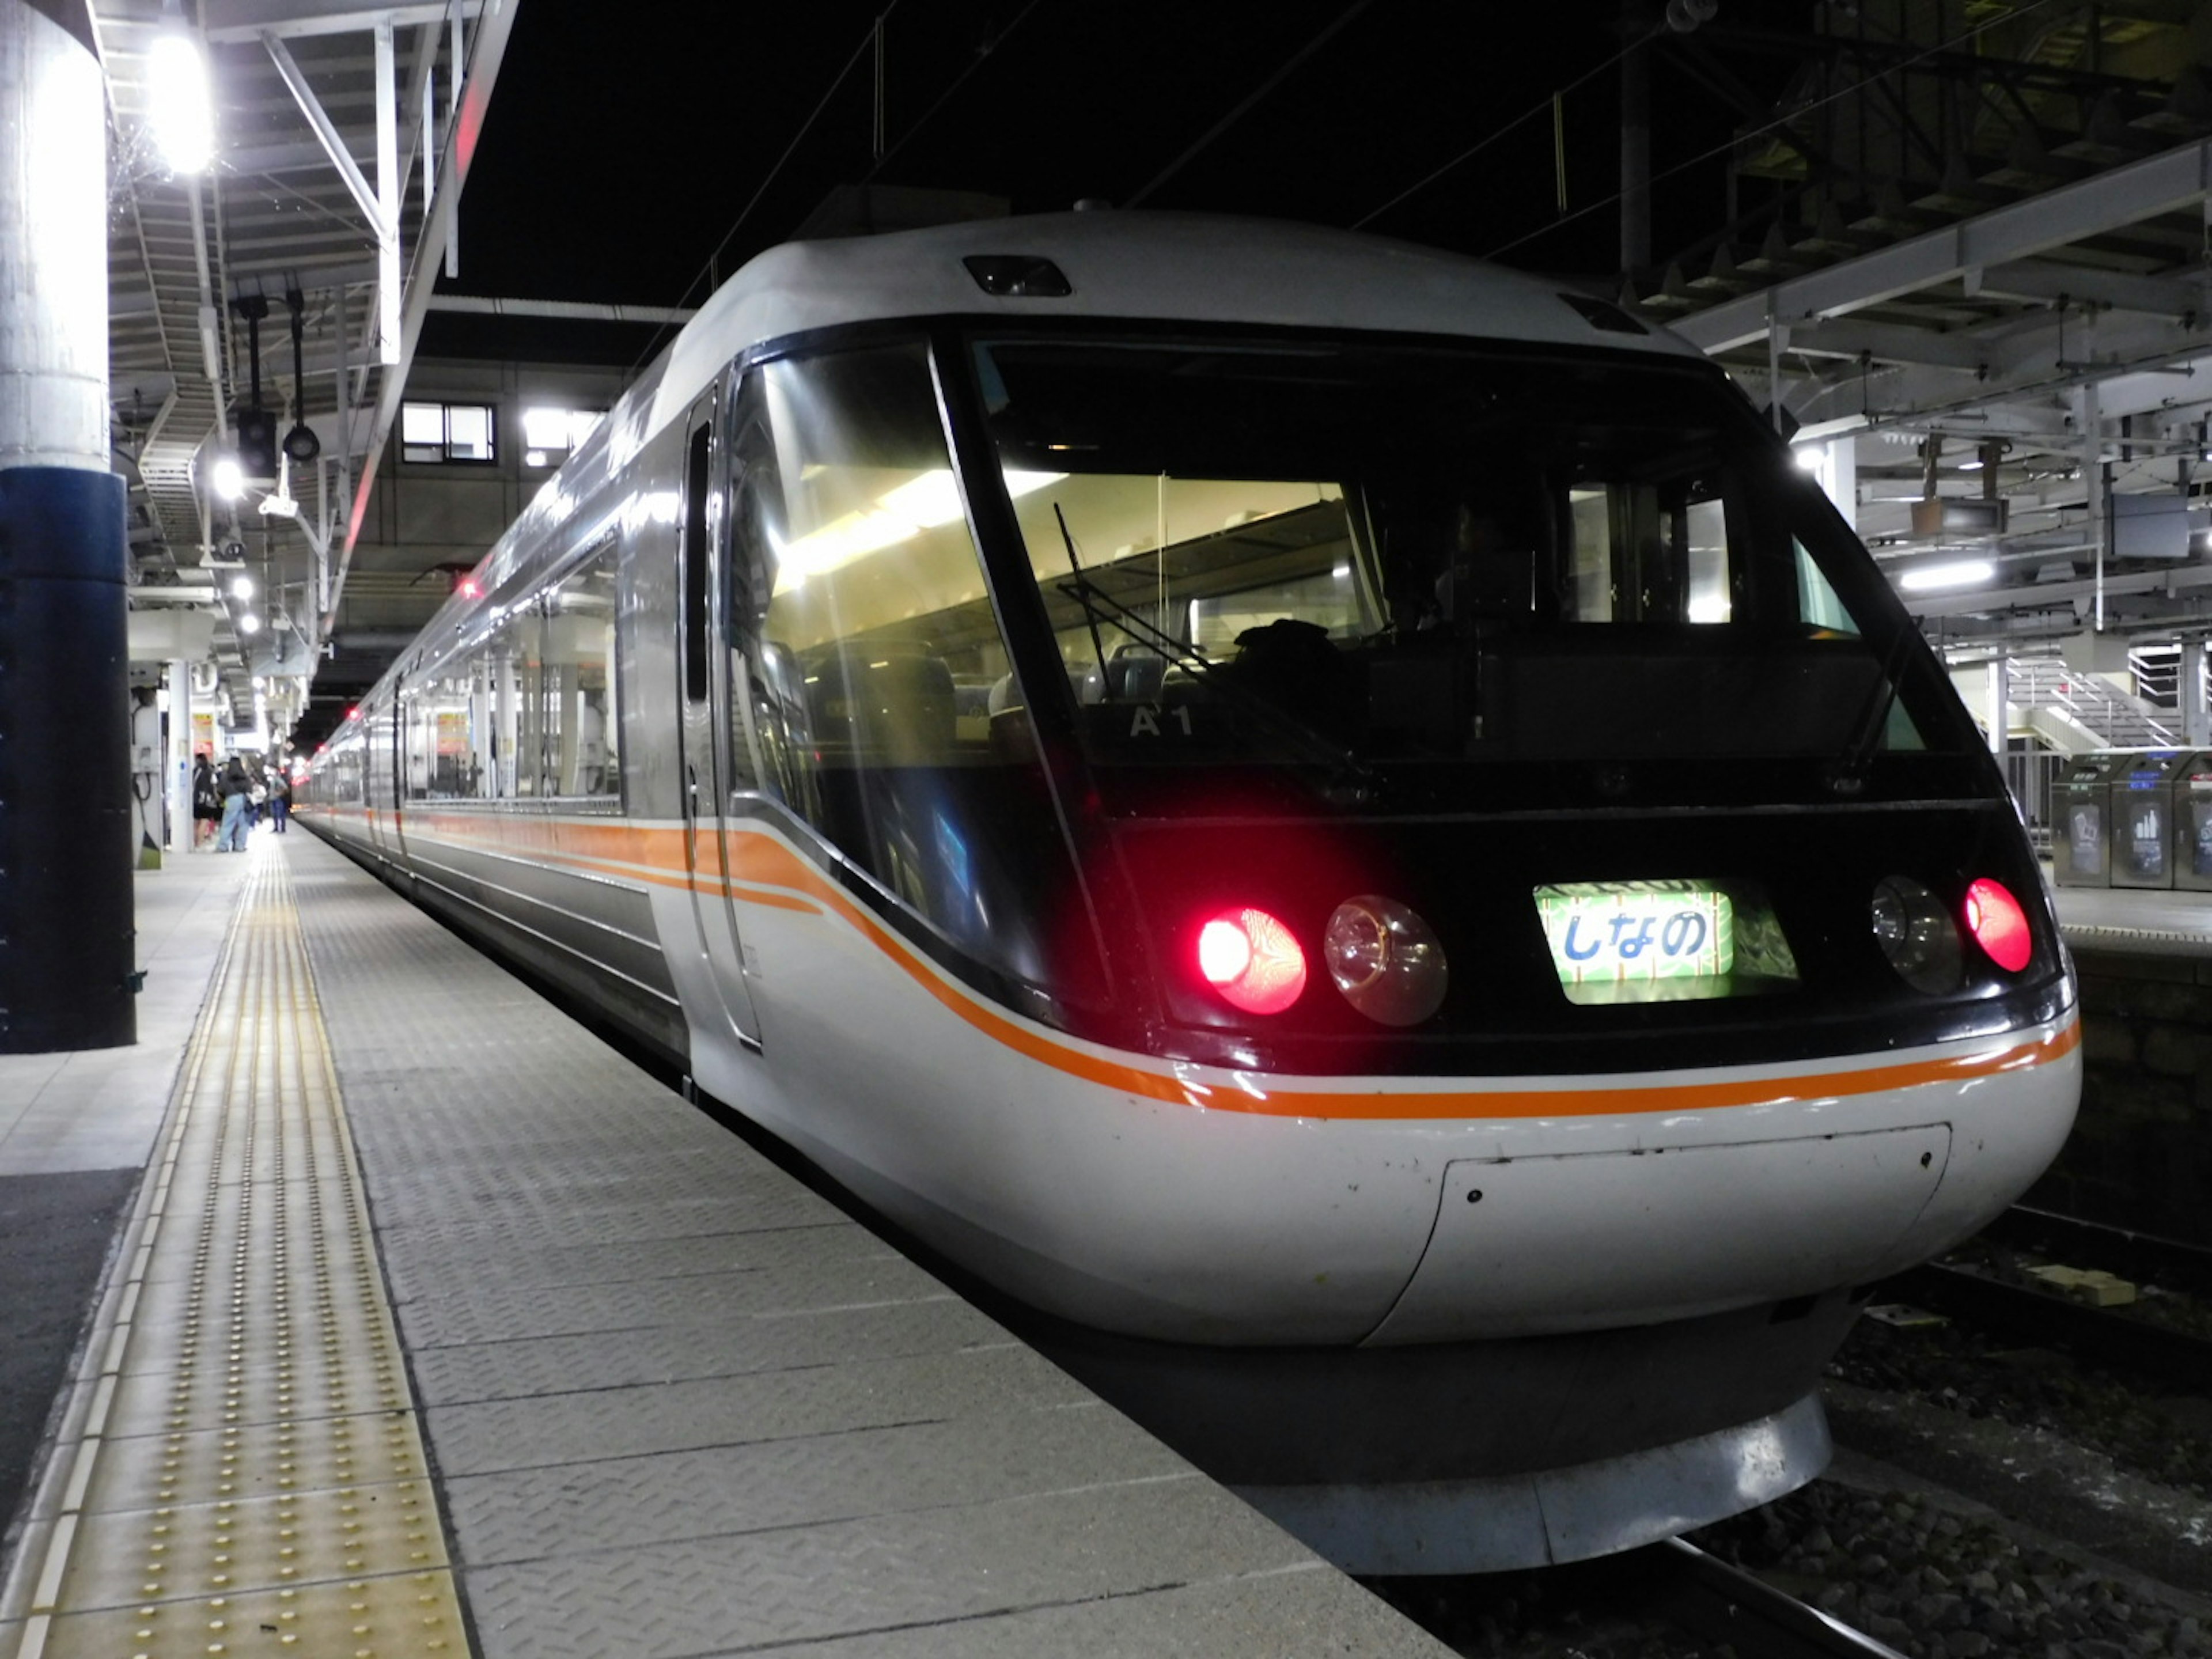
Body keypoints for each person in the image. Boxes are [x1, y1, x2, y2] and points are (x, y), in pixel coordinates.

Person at [216, 756, 252, 851]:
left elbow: (220, 790)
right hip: (243, 800)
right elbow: (250, 790)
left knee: (227, 824)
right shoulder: (245, 777)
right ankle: (240, 846)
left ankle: (223, 846)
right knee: (243, 824)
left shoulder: (225, 776)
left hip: (230, 800)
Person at [191, 752, 221, 848]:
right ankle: (200, 843)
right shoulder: (210, 771)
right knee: (204, 821)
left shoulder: (195, 771)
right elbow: (214, 785)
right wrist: (216, 798)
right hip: (207, 800)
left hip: (196, 799)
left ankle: (195, 843)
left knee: (196, 822)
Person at [267, 765, 291, 834]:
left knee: (279, 814)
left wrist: (279, 794)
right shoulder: (273, 780)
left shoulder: (278, 780)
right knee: (275, 814)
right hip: (273, 799)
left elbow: (285, 788)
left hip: (278, 799)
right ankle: (277, 828)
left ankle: (282, 828)